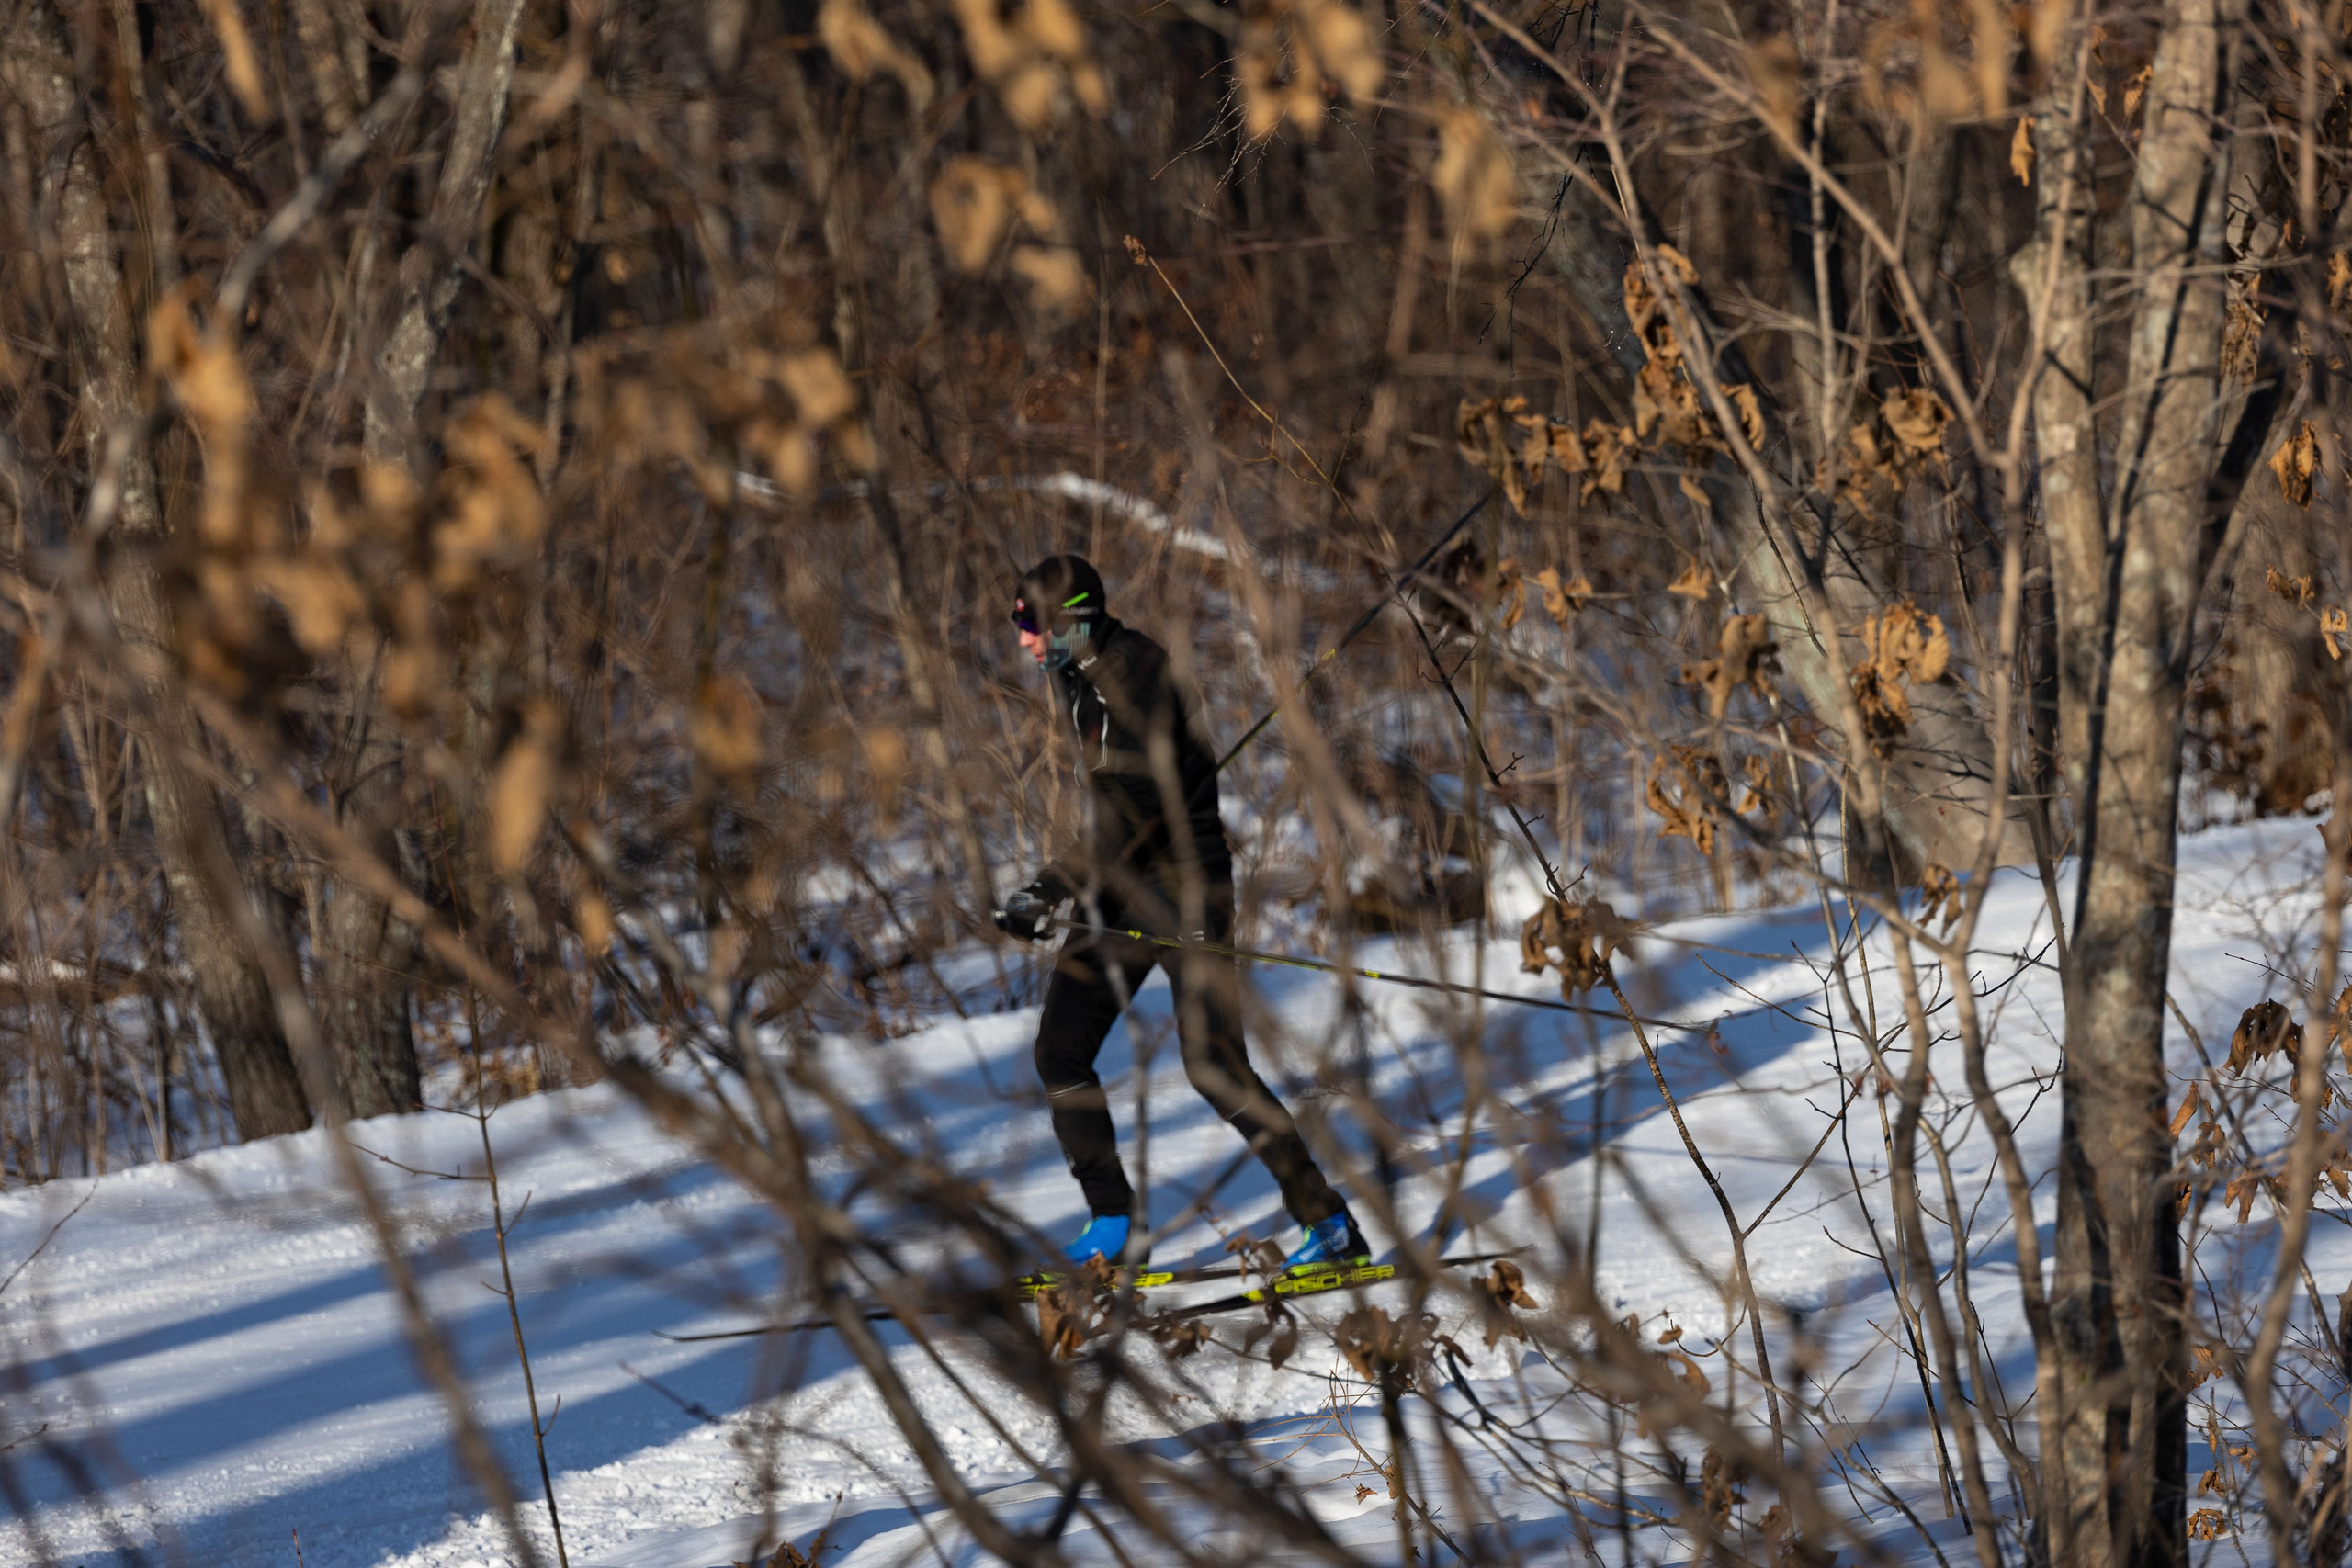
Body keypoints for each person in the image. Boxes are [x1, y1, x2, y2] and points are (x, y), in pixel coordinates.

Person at [992, 554, 1368, 1273]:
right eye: (1018, 624)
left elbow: (1131, 809)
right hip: (1120, 886)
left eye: (1032, 623)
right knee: (1061, 1049)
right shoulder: (1075, 674)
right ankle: (1112, 1224)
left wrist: (1050, 886)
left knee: (1213, 1064)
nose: (1023, 641)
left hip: (1187, 886)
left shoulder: (1138, 677)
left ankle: (1330, 1225)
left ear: (1073, 616)